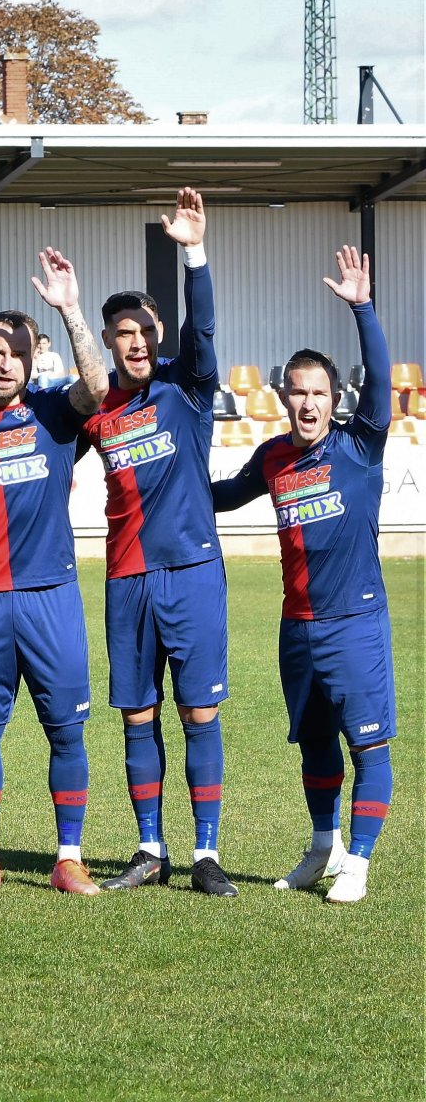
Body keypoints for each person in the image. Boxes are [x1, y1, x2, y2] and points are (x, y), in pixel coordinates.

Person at [211, 246, 392, 904]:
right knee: (315, 745)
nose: (308, 403)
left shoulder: (360, 444)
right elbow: (224, 496)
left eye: (319, 392)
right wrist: (165, 484)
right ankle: (325, 846)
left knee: (369, 748)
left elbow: (378, 380)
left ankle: (360, 863)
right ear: (283, 396)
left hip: (356, 624)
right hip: (298, 630)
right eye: (298, 391)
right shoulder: (275, 457)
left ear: (333, 398)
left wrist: (362, 308)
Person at [0, 250, 110, 897]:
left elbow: (98, 387)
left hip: (50, 597)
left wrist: (70, 310)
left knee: (65, 730)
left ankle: (69, 857)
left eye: (16, 349)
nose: (4, 359)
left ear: (34, 355)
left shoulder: (56, 413)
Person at [82, 188, 234, 898]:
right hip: (127, 579)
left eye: (144, 331)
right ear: (110, 343)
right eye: (123, 334)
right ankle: (151, 848)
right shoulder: (95, 408)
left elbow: (204, 331)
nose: (136, 343)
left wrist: (193, 252)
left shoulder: (189, 390)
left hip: (193, 573)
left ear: (158, 333)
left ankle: (206, 854)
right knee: (137, 713)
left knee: (198, 712)